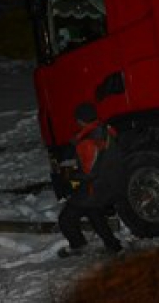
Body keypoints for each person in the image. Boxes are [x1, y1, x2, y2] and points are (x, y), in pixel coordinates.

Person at [57, 102, 125, 258]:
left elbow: (90, 174)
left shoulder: (86, 142)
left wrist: (70, 177)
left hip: (95, 189)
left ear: (80, 121)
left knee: (66, 219)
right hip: (110, 184)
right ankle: (113, 245)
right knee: (93, 212)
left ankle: (78, 245)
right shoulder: (107, 130)